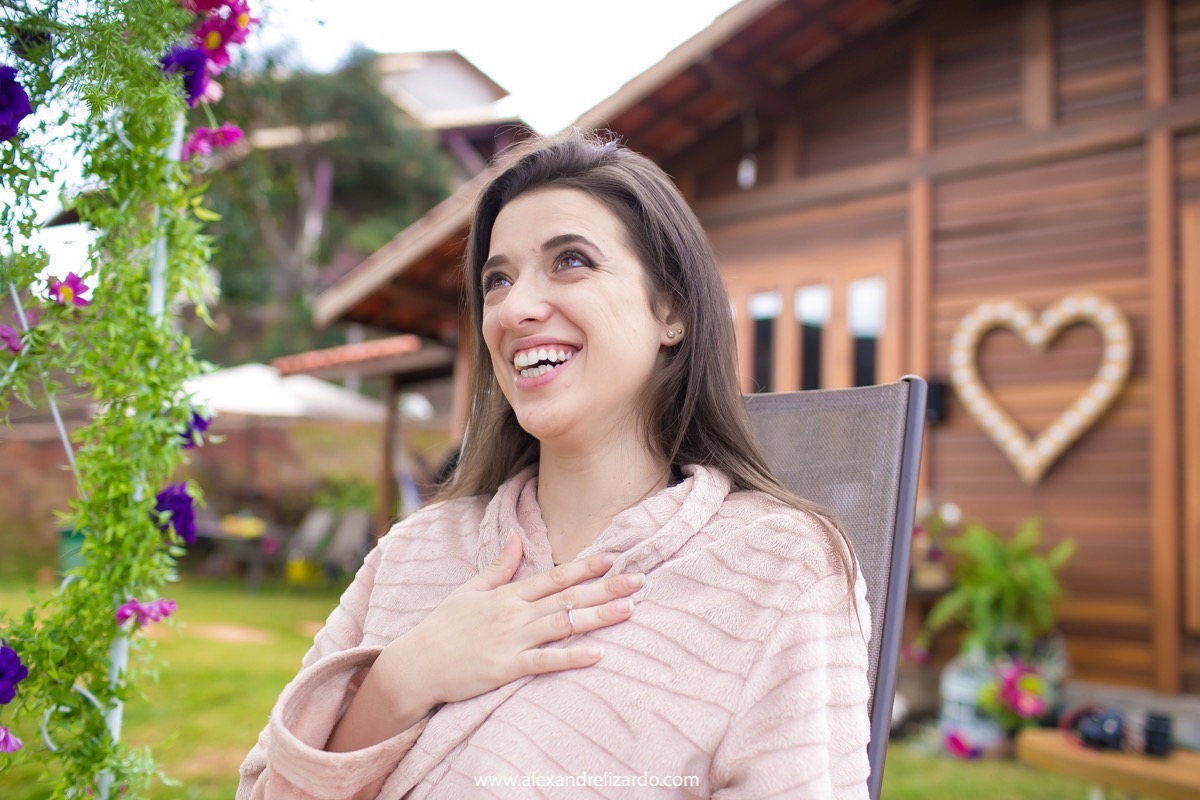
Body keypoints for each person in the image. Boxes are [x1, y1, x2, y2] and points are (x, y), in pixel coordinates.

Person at [237, 130, 870, 799]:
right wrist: (402, 679)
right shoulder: (417, 550)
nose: (515, 308)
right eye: (497, 279)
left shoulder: (779, 568)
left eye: (571, 261)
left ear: (672, 310)